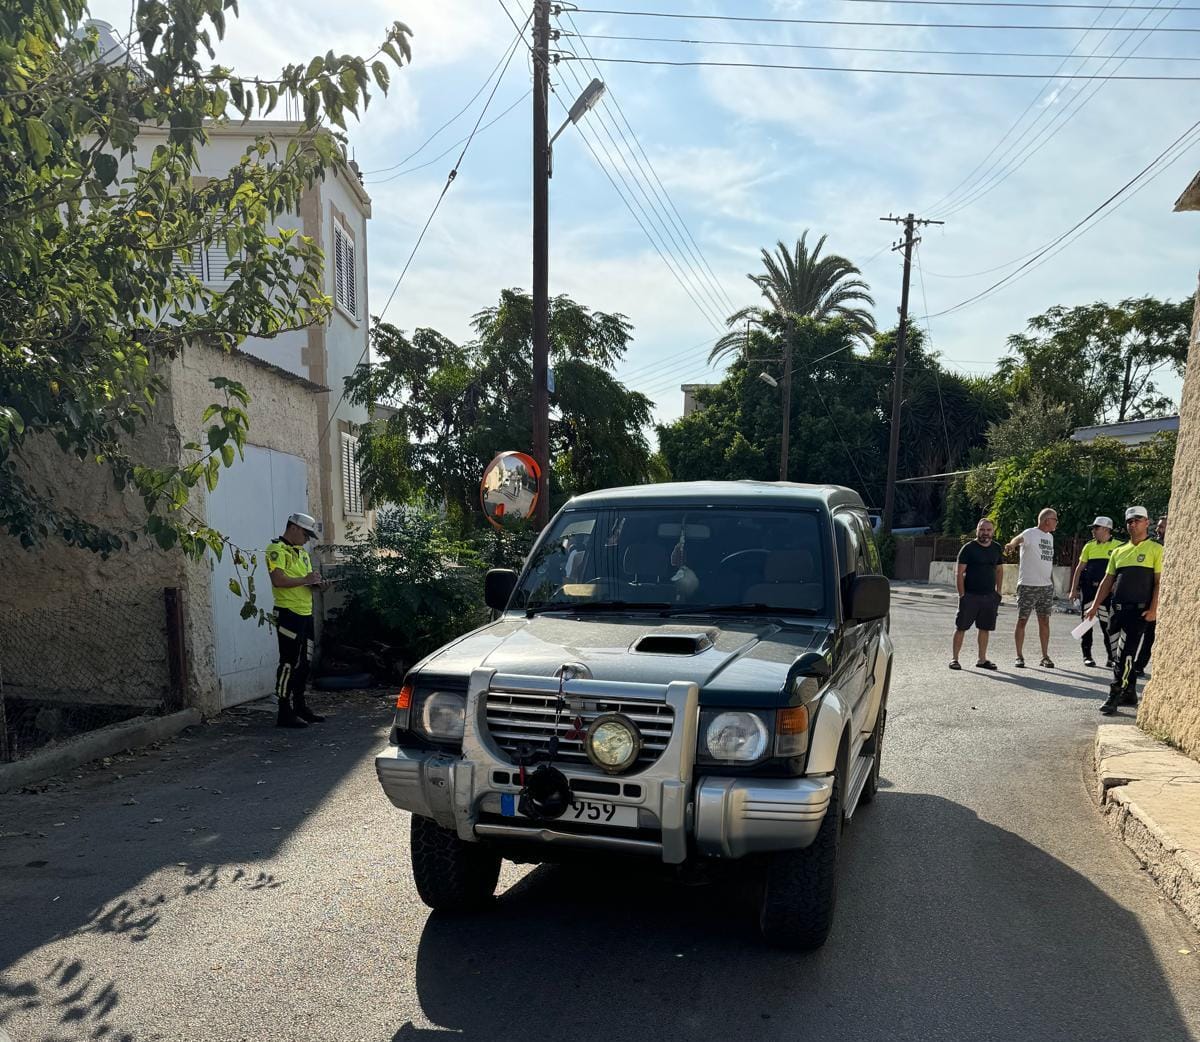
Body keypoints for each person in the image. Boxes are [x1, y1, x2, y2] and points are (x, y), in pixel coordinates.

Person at [1085, 506, 1162, 715]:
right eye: (1129, 521)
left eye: (1137, 520)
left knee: (1125, 655)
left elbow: (1159, 582)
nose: (1133, 524)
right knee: (1116, 654)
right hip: (1116, 610)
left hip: (1139, 612)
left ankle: (1115, 693)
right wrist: (1094, 606)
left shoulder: (1156, 549)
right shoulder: (1119, 551)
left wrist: (1154, 609)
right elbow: (1107, 580)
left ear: (1147, 522)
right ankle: (1130, 692)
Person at [266, 511, 327, 729]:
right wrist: (305, 579)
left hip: (305, 613)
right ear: (294, 528)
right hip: (288, 613)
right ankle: (284, 711)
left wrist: (318, 584)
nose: (307, 539)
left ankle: (300, 706)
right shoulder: (276, 549)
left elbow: (306, 582)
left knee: (306, 662)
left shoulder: (302, 553)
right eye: (305, 534)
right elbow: (278, 580)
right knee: (288, 662)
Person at [1004, 507, 1058, 668]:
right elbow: (1018, 539)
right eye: (1055, 519)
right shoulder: (1030, 533)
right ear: (1047, 520)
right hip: (1028, 585)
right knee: (1022, 620)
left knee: (1045, 621)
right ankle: (1019, 656)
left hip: (1046, 587)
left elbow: (1046, 562)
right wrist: (1011, 545)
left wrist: (1051, 584)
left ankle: (1045, 656)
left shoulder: (1050, 537)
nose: (1057, 522)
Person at [950, 518, 1004, 671]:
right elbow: (959, 573)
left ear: (992, 531)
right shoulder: (968, 549)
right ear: (977, 530)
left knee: (984, 628)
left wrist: (998, 592)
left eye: (988, 530)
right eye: (982, 530)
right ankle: (955, 659)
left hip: (989, 596)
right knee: (961, 627)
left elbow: (999, 570)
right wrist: (962, 595)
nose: (985, 533)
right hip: (970, 596)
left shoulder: (996, 548)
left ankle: (982, 659)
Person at [1067, 516, 1120, 668]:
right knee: (1087, 624)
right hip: (1089, 590)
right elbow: (1079, 569)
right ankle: (1087, 656)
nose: (1093, 531)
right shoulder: (1089, 546)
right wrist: (1073, 590)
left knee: (1108, 625)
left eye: (1096, 528)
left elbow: (1121, 570)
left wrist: (1116, 584)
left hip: (1107, 592)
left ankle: (1111, 657)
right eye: (1093, 528)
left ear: (1106, 529)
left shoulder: (1118, 546)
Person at [1132, 514, 1167, 679]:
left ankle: (1139, 665)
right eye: (1159, 526)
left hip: (1162, 596)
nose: (1159, 530)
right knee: (1140, 631)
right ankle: (1132, 664)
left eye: (1162, 526)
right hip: (1147, 593)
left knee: (1151, 635)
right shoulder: (1153, 545)